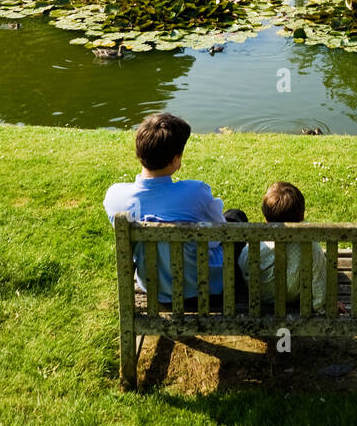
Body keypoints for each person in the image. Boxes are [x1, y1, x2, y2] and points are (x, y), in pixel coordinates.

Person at [103, 112, 247, 303]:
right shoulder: (195, 192)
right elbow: (218, 237)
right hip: (203, 287)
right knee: (235, 217)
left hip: (154, 288)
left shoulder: (115, 197)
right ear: (175, 160)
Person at [238, 181, 332, 313]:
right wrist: (320, 306)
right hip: (296, 297)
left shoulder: (257, 247)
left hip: (265, 297)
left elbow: (243, 264)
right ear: (301, 215)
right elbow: (318, 280)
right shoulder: (310, 246)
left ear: (266, 218)